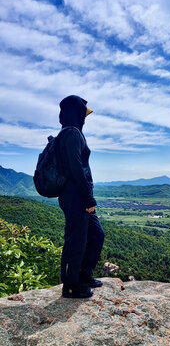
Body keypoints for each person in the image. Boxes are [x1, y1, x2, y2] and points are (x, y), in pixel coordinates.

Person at [58, 95, 105, 298]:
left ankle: (84, 275)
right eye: (83, 114)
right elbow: (77, 169)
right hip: (76, 197)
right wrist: (88, 198)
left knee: (96, 235)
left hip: (79, 196)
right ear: (76, 114)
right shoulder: (71, 134)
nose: (85, 118)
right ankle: (70, 286)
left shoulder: (72, 133)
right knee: (75, 241)